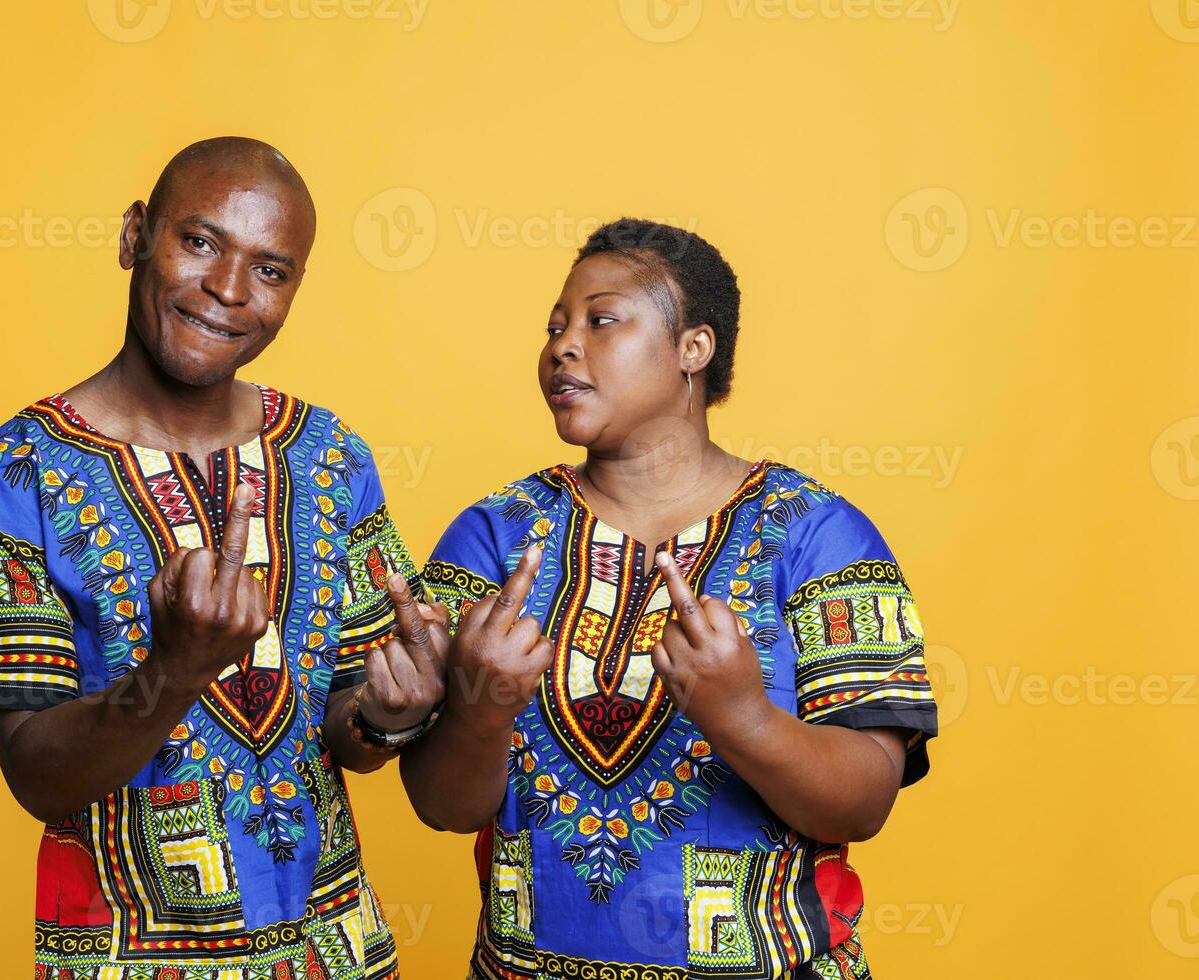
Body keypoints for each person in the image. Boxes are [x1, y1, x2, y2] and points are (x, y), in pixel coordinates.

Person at [0, 137, 447, 979]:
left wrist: (391, 717)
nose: (229, 292)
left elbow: (349, 730)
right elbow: (37, 779)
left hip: (335, 952)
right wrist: (176, 669)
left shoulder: (334, 455)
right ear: (135, 237)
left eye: (271, 271)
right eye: (200, 242)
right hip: (126, 959)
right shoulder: (6, 480)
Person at [401, 219, 939, 979]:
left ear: (694, 348)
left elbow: (864, 805)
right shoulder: (495, 535)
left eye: (601, 320)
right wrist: (481, 711)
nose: (563, 345)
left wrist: (743, 716)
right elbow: (442, 807)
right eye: (555, 326)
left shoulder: (816, 535)